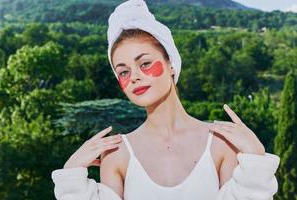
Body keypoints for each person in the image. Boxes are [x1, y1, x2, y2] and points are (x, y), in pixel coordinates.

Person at [51, 0, 280, 199]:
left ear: (171, 63)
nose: (135, 77)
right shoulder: (116, 154)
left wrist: (256, 160)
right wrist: (71, 174)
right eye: (123, 72)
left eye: (145, 63)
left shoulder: (221, 144)